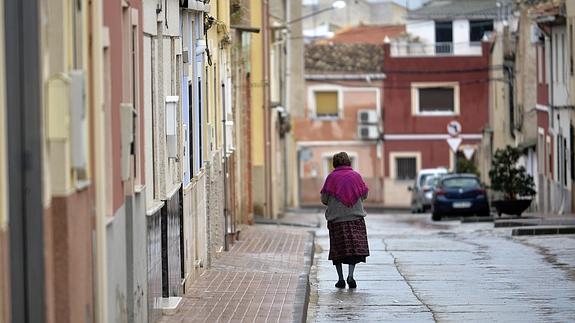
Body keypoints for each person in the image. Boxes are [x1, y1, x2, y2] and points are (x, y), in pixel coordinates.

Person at [320, 152, 370, 289]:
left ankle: (340, 279)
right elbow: (364, 194)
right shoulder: (356, 176)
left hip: (336, 220)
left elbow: (324, 199)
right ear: (348, 162)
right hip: (355, 218)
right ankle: (351, 276)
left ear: (334, 163)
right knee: (353, 249)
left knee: (338, 250)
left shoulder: (331, 178)